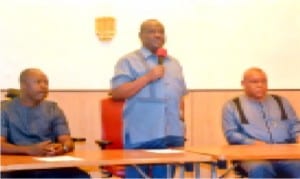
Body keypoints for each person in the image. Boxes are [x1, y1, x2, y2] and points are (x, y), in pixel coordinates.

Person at [111, 19, 187, 178]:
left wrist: (181, 123)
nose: (157, 35)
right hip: (142, 134)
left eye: (161, 31)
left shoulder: (174, 63)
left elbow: (179, 95)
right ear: (141, 36)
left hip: (171, 134)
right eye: (152, 31)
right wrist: (148, 77)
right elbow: (117, 92)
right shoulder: (128, 61)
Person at [1, 68, 90, 178]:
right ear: (23, 85)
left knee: (81, 177)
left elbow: (67, 140)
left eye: (46, 83)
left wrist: (63, 148)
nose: (44, 86)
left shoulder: (53, 108)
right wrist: (28, 150)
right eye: (38, 82)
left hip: (49, 165)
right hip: (18, 167)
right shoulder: (4, 109)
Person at [222, 67, 300, 178]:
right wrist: (252, 143)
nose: (260, 85)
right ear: (243, 84)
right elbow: (231, 134)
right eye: (254, 82)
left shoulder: (281, 102)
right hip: (253, 156)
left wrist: (298, 135)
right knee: (261, 169)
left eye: (263, 81)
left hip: (285, 155)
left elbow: (295, 124)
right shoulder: (233, 105)